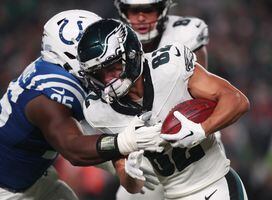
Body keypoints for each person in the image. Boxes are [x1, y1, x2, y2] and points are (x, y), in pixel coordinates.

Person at [78, 19, 250, 200]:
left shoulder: (170, 66)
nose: (107, 80)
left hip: (214, 185)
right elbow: (132, 185)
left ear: (131, 54)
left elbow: (237, 101)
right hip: (172, 195)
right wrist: (131, 174)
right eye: (98, 74)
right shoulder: (100, 111)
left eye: (112, 67)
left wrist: (202, 129)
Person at [0, 11, 162, 200]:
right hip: (7, 189)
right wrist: (124, 142)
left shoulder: (67, 71)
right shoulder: (48, 94)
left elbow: (87, 125)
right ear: (70, 53)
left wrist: (117, 160)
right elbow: (73, 148)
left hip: (35, 176)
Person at [113, 1, 217, 199]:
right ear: (123, 11)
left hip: (191, 134)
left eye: (148, 9)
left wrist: (200, 129)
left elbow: (202, 100)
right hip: (143, 145)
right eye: (134, 11)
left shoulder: (185, 33)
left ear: (162, 9)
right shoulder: (110, 41)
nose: (141, 17)